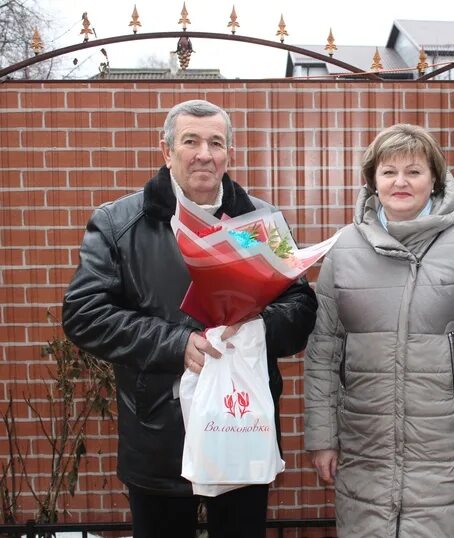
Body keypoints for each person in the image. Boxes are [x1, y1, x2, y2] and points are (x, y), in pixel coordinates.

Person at [62, 99, 318, 538]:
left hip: (241, 428)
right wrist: (176, 345)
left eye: (215, 142)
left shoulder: (261, 221)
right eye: (190, 141)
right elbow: (84, 313)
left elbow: (300, 307)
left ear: (229, 155)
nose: (204, 153)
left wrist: (259, 329)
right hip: (159, 434)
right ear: (167, 152)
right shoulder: (118, 223)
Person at [304, 123, 454, 537]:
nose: (400, 181)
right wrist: (322, 438)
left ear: (435, 178)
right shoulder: (345, 248)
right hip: (366, 458)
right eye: (388, 171)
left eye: (414, 171)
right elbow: (324, 350)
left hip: (449, 461)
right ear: (372, 180)